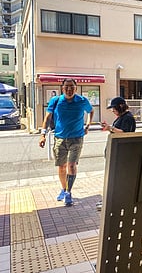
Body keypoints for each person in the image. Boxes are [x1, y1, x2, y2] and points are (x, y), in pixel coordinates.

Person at [39, 78, 94, 206]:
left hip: (76, 138)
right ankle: (63, 189)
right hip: (59, 138)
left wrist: (88, 125)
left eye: (72, 87)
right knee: (62, 166)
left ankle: (69, 192)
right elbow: (47, 118)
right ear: (62, 88)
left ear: (76, 88)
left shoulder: (82, 101)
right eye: (66, 87)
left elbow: (91, 111)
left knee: (71, 165)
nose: (69, 89)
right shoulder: (56, 101)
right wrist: (43, 135)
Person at [97, 97, 136, 210]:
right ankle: (112, 200)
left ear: (120, 106)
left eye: (113, 108)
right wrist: (109, 128)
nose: (113, 111)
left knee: (117, 178)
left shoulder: (128, 118)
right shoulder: (121, 117)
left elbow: (125, 133)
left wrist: (110, 128)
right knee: (114, 177)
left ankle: (115, 201)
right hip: (116, 151)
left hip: (122, 152)